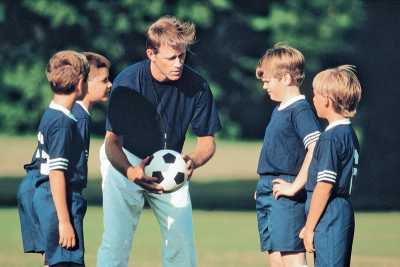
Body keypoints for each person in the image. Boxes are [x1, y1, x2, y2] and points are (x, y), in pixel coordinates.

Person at [97, 15, 221, 267]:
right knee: (117, 240)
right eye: (171, 58)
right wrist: (131, 171)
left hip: (171, 167)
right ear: (151, 54)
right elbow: (112, 142)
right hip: (126, 159)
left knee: (182, 243)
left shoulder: (198, 86)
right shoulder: (127, 83)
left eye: (182, 56)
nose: (178, 64)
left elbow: (207, 140)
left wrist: (193, 161)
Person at [17, 50, 89, 266]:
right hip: (58, 201)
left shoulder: (52, 113)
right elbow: (56, 173)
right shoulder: (63, 123)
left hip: (46, 198)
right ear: (80, 83)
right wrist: (65, 222)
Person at [254, 44, 320, 267]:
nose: (264, 87)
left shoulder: (300, 110)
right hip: (269, 191)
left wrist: (294, 187)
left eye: (267, 81)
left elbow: (316, 146)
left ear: (286, 78)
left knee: (292, 259)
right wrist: (263, 186)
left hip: (287, 191)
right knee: (275, 258)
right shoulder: (279, 109)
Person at [300, 65, 362, 267]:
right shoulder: (348, 133)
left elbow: (325, 186)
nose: (313, 99)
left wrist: (309, 228)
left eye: (315, 94)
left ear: (327, 99)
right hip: (340, 211)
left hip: (330, 214)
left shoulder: (330, 138)